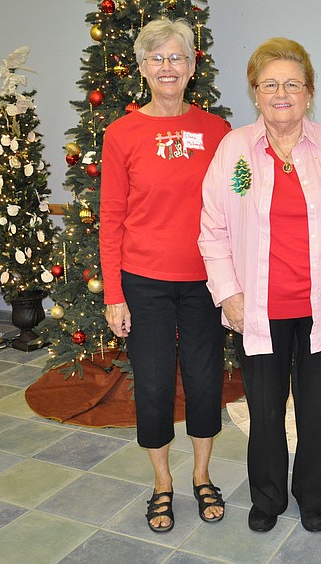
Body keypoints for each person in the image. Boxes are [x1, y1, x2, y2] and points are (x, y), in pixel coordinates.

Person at [199, 37, 321, 534]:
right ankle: (267, 496)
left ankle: (314, 498)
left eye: (292, 83)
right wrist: (228, 294)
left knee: (319, 411)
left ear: (309, 92)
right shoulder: (234, 149)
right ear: (255, 93)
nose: (281, 93)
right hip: (258, 307)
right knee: (265, 412)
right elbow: (213, 227)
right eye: (270, 84)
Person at [100, 18, 230, 533]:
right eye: (157, 58)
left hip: (205, 282)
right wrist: (115, 293)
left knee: (204, 381)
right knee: (153, 386)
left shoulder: (218, 131)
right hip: (144, 283)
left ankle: (201, 474)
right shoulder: (122, 133)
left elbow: (238, 200)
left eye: (177, 57)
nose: (168, 67)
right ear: (142, 67)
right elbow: (111, 219)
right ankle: (162, 482)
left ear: (193, 65)